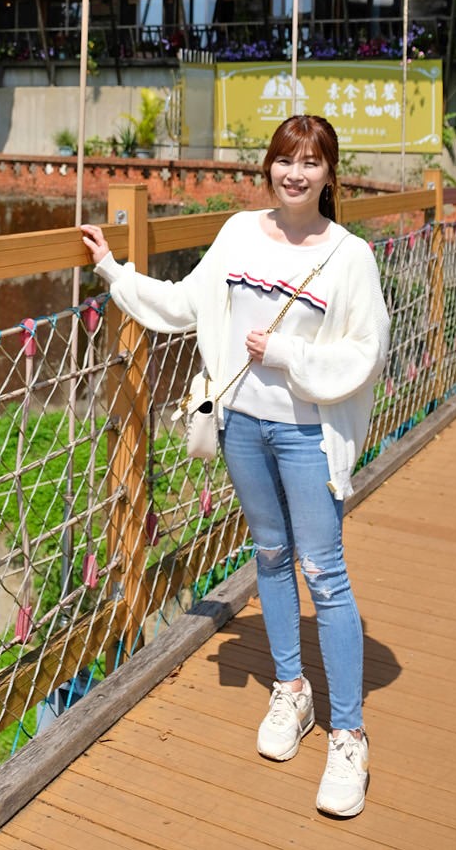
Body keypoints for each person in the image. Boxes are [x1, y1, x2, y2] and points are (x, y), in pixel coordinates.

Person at [80, 114, 389, 818]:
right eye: (285, 160)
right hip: (243, 426)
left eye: (311, 162)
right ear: (268, 169)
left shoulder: (350, 256)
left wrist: (288, 357)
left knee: (325, 574)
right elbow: (183, 305)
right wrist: (111, 271)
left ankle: (349, 732)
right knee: (271, 557)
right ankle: (291, 690)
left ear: (329, 174)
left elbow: (365, 353)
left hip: (308, 436)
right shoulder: (239, 233)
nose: (296, 173)